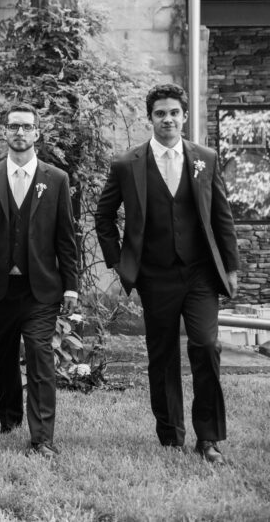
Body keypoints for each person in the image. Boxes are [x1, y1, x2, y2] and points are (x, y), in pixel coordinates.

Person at [96, 83, 238, 464]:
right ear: (150, 118)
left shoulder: (205, 158)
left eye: (174, 112)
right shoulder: (127, 164)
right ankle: (171, 435)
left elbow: (221, 217)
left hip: (200, 275)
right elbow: (104, 216)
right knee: (162, 355)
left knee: (206, 346)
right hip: (154, 276)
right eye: (160, 113)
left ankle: (208, 438)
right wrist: (118, 261)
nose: (168, 119)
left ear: (184, 116)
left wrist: (232, 266)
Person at [0, 103, 78, 458]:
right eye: (14, 127)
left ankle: (42, 437)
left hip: (40, 288)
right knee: (5, 356)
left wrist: (71, 285)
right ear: (4, 132)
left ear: (36, 134)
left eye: (27, 127)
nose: (20, 133)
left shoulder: (56, 179)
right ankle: (9, 414)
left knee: (40, 356)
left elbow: (65, 238)